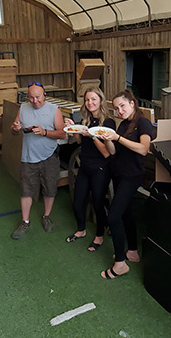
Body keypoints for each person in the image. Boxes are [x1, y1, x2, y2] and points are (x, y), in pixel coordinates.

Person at [97, 89, 152, 279]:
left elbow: (144, 149)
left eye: (122, 106)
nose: (119, 110)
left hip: (131, 176)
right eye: (116, 108)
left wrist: (118, 138)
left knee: (113, 217)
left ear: (132, 103)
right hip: (119, 174)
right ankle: (133, 252)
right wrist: (107, 138)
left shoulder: (143, 122)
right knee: (126, 212)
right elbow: (112, 152)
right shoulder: (123, 125)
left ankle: (120, 264)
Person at [10, 82, 66, 239]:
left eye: (38, 97)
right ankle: (25, 221)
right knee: (26, 190)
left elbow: (62, 134)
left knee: (50, 188)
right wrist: (14, 128)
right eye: (31, 97)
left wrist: (45, 132)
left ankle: (46, 216)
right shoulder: (22, 108)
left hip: (49, 156)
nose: (35, 101)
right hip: (28, 157)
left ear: (44, 95)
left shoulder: (54, 110)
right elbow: (15, 131)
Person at [63, 86, 116, 251]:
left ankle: (99, 236)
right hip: (85, 166)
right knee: (78, 200)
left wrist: (91, 136)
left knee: (98, 203)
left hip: (100, 168)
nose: (90, 102)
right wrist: (74, 128)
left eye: (93, 99)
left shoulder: (107, 122)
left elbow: (107, 153)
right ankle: (81, 230)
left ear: (100, 100)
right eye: (87, 100)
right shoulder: (85, 119)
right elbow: (79, 142)